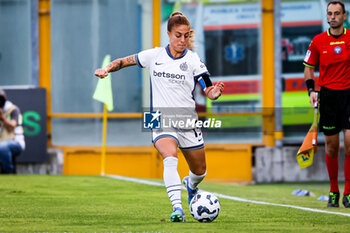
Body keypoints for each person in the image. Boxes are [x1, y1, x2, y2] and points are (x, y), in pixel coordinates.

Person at [95, 12, 224, 222]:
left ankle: (190, 185)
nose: (183, 40)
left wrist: (213, 93)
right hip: (159, 117)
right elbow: (124, 61)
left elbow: (207, 86)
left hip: (187, 120)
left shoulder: (193, 60)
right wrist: (107, 69)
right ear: (169, 34)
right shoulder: (154, 55)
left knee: (200, 171)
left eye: (187, 36)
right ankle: (178, 209)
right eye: (178, 35)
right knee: (170, 158)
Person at [303, 0, 350, 208]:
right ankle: (334, 190)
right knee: (332, 147)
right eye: (329, 13)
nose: (332, 17)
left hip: (349, 96)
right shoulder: (317, 41)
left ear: (344, 16)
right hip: (328, 97)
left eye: (337, 13)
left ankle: (348, 192)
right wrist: (312, 90)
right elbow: (309, 67)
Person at [0, 89, 25, 174]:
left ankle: (7, 171)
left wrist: (2, 117)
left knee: (2, 147)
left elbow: (12, 126)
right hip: (1, 141)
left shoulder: (13, 109)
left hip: (16, 142)